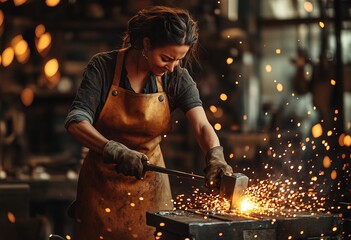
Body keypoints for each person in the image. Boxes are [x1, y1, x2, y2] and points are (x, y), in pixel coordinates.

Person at [64, 5, 233, 240]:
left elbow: (203, 125)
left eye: (178, 60)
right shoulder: (103, 67)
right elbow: (76, 121)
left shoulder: (176, 77)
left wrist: (216, 156)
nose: (172, 67)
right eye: (166, 58)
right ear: (145, 44)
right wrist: (112, 149)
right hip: (101, 186)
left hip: (152, 186)